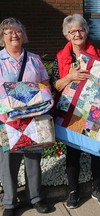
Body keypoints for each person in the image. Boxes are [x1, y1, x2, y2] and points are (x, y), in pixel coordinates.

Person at [50, 13, 100, 209]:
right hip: (70, 112)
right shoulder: (60, 58)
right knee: (73, 152)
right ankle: (73, 192)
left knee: (96, 151)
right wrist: (71, 76)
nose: (77, 34)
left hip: (93, 111)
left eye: (81, 29)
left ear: (86, 31)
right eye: (72, 31)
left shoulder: (98, 53)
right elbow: (54, 86)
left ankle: (97, 188)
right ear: (67, 35)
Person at [0, 17, 51, 215]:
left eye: (18, 31)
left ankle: (35, 197)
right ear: (2, 37)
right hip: (7, 120)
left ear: (23, 35)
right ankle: (10, 203)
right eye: (9, 32)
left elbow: (45, 85)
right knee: (8, 163)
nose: (14, 35)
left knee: (33, 160)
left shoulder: (34, 59)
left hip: (33, 118)